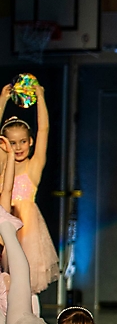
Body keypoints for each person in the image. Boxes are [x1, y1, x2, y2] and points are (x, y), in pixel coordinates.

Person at [0, 82, 58, 293]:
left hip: (27, 232)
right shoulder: (3, 167)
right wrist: (2, 101)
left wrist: (40, 97)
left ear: (30, 141)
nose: (18, 147)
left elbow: (44, 130)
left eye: (23, 142)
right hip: (3, 228)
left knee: (27, 284)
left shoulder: (33, 168)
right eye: (12, 143)